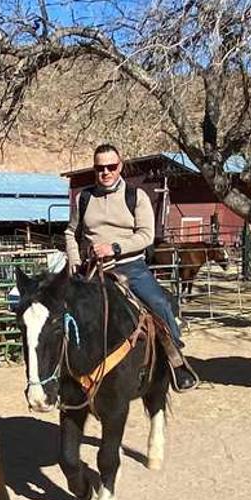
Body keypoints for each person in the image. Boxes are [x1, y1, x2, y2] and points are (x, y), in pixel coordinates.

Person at [65, 143, 196, 391]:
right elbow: (71, 232)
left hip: (130, 266)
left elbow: (146, 236)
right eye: (99, 167)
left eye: (111, 167)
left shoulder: (136, 197)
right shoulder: (84, 198)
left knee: (160, 304)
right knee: (62, 311)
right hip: (93, 269)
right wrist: (74, 260)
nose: (105, 172)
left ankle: (177, 362)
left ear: (120, 166)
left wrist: (115, 247)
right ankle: (64, 370)